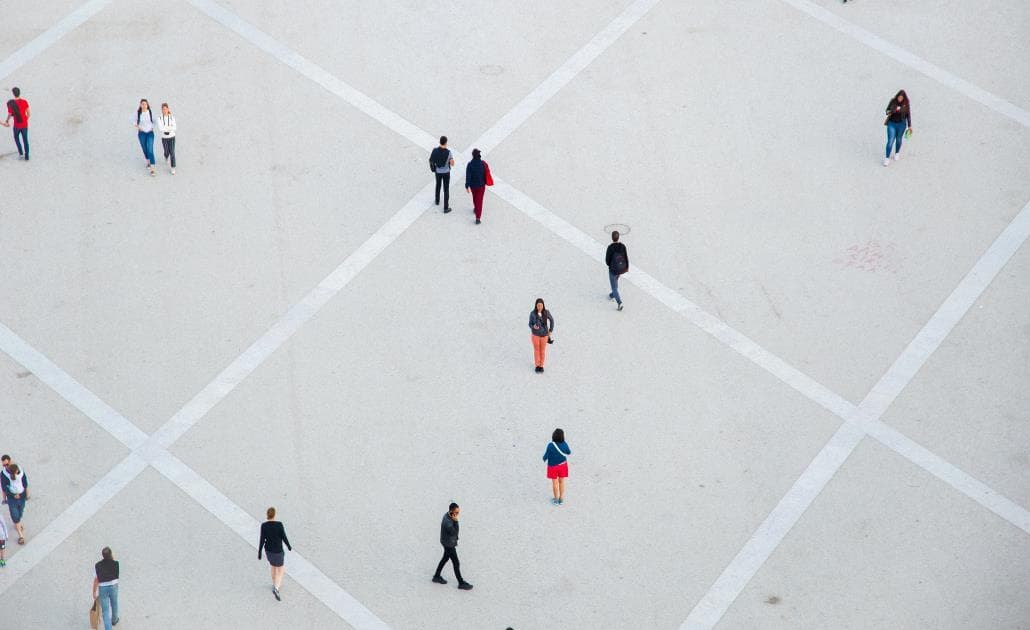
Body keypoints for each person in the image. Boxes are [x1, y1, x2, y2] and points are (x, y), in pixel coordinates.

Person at [432, 502, 472, 590]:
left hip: (446, 542)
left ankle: (436, 576)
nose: (457, 514)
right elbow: (455, 532)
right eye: (456, 513)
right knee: (456, 563)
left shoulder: (447, 515)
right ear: (451, 511)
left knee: (445, 558)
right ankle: (461, 583)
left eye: (458, 512)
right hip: (448, 544)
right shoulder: (448, 523)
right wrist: (456, 522)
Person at [258, 507, 292, 601]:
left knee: (273, 566)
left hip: (269, 551)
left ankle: (274, 583)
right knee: (280, 570)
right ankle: (276, 588)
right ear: (274, 514)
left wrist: (259, 552)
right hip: (278, 551)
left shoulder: (264, 526)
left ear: (267, 515)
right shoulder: (279, 525)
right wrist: (289, 546)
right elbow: (284, 537)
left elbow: (262, 540)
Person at [92, 547, 120, 629]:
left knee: (105, 611)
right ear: (111, 554)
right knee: (114, 604)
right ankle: (114, 620)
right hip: (113, 586)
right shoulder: (116, 564)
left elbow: (96, 580)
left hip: (103, 588)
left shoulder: (98, 565)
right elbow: (116, 577)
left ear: (102, 555)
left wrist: (94, 592)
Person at [883, 89, 912, 166]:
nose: (900, 99)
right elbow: (887, 111)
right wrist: (893, 110)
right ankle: (887, 158)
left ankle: (897, 153)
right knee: (890, 141)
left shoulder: (906, 104)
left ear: (904, 98)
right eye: (899, 97)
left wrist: (909, 126)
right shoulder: (893, 101)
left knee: (899, 139)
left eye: (901, 98)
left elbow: (908, 115)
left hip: (901, 125)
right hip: (891, 123)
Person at [543, 429, 572, 505]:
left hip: (553, 466)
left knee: (555, 483)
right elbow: (569, 452)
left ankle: (556, 500)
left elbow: (547, 455)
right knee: (562, 482)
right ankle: (561, 499)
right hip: (563, 465)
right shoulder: (564, 444)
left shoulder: (550, 445)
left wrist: (544, 458)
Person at [1, 463, 28, 544]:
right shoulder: (5, 476)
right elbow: (4, 488)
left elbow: (25, 485)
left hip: (22, 497)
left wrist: (26, 495)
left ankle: (18, 523)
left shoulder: (21, 474)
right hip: (12, 499)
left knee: (20, 513)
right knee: (15, 516)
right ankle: (21, 536)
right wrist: (9, 496)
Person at [2, 88, 30, 160]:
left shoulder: (11, 104)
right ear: (19, 93)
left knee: (16, 138)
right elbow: (28, 113)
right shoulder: (24, 102)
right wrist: (26, 119)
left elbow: (10, 114)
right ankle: (27, 156)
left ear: (13, 94)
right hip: (24, 125)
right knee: (25, 140)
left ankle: (21, 153)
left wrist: (7, 121)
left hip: (17, 125)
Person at [529, 298, 554, 373]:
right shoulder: (532, 313)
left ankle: (541, 365)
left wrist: (550, 331)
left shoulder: (546, 312)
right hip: (535, 335)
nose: (539, 307)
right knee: (536, 350)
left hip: (544, 335)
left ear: (543, 305)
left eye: (541, 305)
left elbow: (552, 320)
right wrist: (533, 326)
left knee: (542, 350)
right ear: (536, 306)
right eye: (538, 305)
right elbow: (530, 324)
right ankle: (537, 365)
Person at [430, 135, 454, 213]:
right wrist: (451, 160)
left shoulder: (434, 151)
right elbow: (452, 164)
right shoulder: (448, 153)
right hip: (446, 172)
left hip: (438, 172)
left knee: (438, 185)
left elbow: (431, 160)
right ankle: (445, 208)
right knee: (446, 189)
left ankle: (437, 201)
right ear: (446, 143)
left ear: (440, 142)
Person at [605, 230, 628, 311]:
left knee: (614, 286)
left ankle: (619, 302)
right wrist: (626, 268)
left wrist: (611, 266)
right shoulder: (623, 246)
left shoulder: (610, 248)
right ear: (618, 237)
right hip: (621, 269)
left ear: (612, 238)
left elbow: (607, 260)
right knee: (615, 282)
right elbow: (626, 257)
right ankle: (612, 295)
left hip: (613, 270)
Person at [465, 148, 489, 224]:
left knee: (475, 198)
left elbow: (468, 176)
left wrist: (467, 186)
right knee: (480, 200)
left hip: (473, 186)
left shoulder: (470, 164)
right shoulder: (483, 163)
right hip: (481, 185)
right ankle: (478, 217)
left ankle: (476, 209)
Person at [134, 99, 156, 175]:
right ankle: (148, 162)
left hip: (150, 133)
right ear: (140, 105)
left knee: (150, 149)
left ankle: (152, 169)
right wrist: (138, 126)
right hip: (141, 133)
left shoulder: (150, 112)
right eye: (142, 104)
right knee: (145, 149)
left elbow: (155, 121)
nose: (144, 105)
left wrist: (152, 127)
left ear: (147, 105)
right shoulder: (138, 113)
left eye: (145, 104)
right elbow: (134, 121)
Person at [157, 103, 177, 175]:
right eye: (163, 109)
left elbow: (174, 128)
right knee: (166, 151)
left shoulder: (172, 117)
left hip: (172, 137)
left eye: (165, 109)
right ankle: (166, 156)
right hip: (164, 138)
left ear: (168, 109)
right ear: (161, 110)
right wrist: (169, 128)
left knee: (172, 152)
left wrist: (166, 128)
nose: (164, 110)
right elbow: (160, 128)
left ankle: (173, 167)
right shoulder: (159, 118)